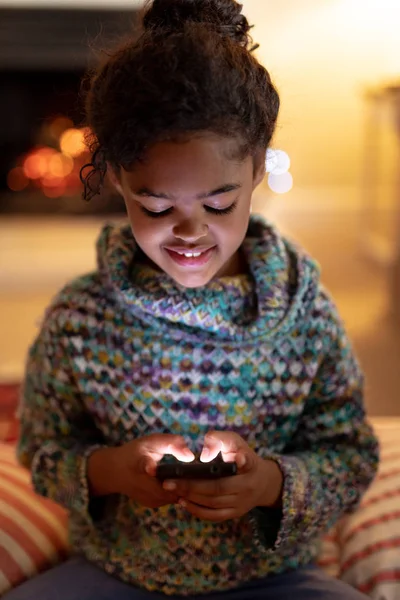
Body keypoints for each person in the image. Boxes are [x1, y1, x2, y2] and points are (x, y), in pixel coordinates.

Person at [5, 1, 379, 599]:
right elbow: (45, 453)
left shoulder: (302, 313)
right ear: (119, 181)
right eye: (157, 207)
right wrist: (112, 470)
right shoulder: (80, 318)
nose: (189, 232)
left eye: (218, 203)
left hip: (272, 576)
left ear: (257, 169)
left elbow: (350, 456)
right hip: (118, 572)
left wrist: (268, 484)